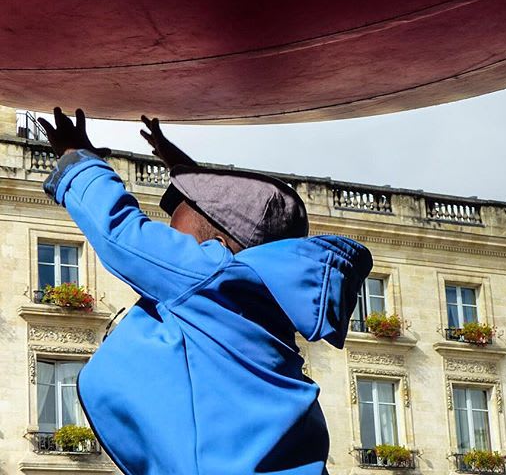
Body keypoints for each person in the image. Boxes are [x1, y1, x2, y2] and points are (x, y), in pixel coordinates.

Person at [37, 107, 373, 475]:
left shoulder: (209, 274)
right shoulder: (259, 292)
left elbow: (119, 232)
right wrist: (179, 164)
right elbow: (240, 216)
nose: (166, 233)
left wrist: (77, 157)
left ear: (217, 243)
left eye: (174, 226)